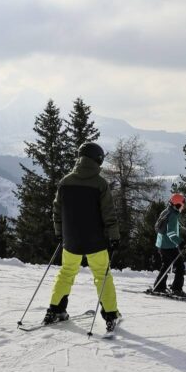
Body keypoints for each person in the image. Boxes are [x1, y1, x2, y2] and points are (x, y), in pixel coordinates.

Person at [44, 142, 120, 332]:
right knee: (102, 276)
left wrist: (60, 233)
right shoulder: (100, 184)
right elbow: (108, 213)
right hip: (96, 241)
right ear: (97, 159)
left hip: (71, 240)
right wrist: (114, 236)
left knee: (66, 273)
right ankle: (110, 315)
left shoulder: (65, 181)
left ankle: (55, 310)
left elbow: (56, 210)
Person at [149, 193, 186, 299]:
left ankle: (159, 286)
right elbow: (171, 233)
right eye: (182, 205)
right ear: (177, 205)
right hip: (169, 245)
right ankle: (177, 289)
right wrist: (180, 242)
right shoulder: (173, 215)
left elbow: (168, 225)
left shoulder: (166, 211)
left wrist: (180, 227)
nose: (183, 207)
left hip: (161, 244)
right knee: (180, 266)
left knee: (166, 265)